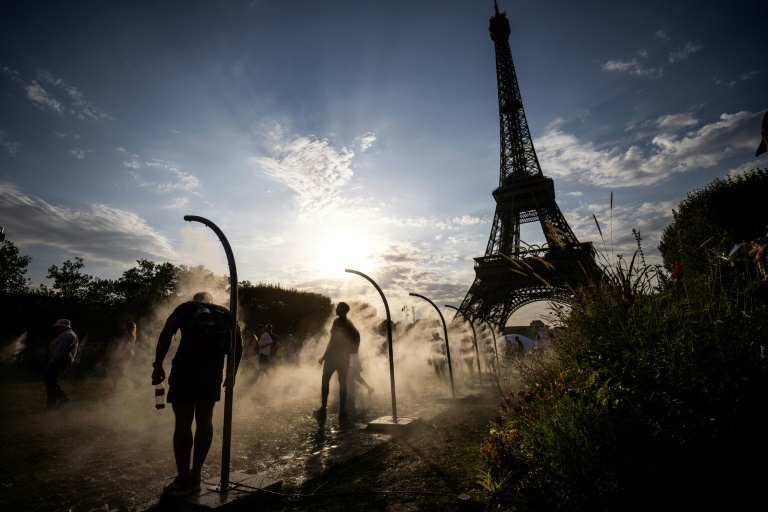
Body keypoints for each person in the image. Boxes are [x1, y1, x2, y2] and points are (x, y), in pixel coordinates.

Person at [151, 292, 243, 496]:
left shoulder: (186, 307)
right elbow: (238, 343)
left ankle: (182, 479)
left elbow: (167, 333)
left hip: (185, 369)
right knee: (205, 420)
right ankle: (196, 476)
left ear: (197, 298)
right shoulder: (226, 313)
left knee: (183, 422)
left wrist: (158, 365)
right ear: (211, 300)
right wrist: (232, 372)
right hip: (212, 373)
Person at [314, 302, 359, 422]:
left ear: (343, 310)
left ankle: (323, 409)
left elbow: (332, 341)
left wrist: (323, 356)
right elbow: (357, 335)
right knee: (342, 383)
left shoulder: (337, 321)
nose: (336, 309)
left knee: (325, 380)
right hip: (344, 358)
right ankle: (342, 411)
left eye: (338, 307)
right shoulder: (349, 323)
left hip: (333, 357)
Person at [43, 319, 79, 409]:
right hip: (59, 361)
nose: (56, 329)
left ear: (63, 327)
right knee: (50, 382)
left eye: (57, 327)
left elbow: (59, 351)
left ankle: (55, 403)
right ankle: (59, 400)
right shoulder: (69, 334)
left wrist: (50, 363)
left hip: (57, 361)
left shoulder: (66, 335)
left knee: (50, 382)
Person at [109, 321, 136, 390]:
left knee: (118, 371)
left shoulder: (127, 333)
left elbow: (123, 344)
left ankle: (134, 382)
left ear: (127, 326)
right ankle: (116, 386)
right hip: (129, 354)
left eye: (125, 324)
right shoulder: (132, 334)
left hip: (124, 354)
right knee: (119, 371)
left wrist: (118, 353)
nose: (124, 325)